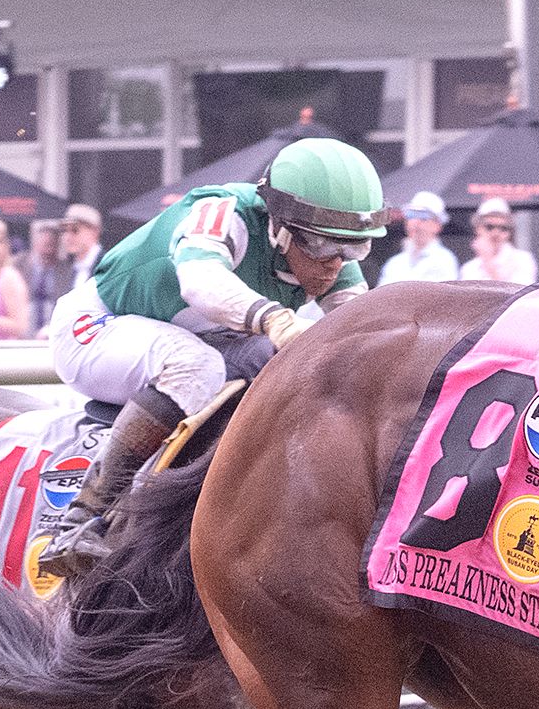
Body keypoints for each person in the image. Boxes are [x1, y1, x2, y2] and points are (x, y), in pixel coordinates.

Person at [41, 137, 389, 575]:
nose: (336, 264)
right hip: (97, 326)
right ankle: (83, 520)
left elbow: (362, 334)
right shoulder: (224, 211)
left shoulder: (330, 250)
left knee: (274, 363)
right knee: (197, 365)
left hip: (184, 334)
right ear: (280, 227)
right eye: (322, 247)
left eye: (355, 248)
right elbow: (199, 279)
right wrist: (275, 319)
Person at [380, 191, 459, 285]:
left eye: (423, 217)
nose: (415, 222)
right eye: (411, 215)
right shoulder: (394, 263)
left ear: (438, 225)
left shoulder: (445, 260)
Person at [458, 196, 537, 285]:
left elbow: (519, 296)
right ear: (477, 229)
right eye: (489, 227)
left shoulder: (523, 260)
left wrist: (488, 261)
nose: (496, 233)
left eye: (503, 228)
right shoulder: (469, 268)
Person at [18, 220, 71, 330]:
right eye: (43, 234)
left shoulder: (67, 270)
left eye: (54, 236)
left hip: (54, 329)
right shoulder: (19, 264)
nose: (48, 238)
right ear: (34, 240)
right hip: (24, 329)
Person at [60, 202, 104, 289]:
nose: (67, 237)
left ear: (94, 232)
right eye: (64, 230)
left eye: (75, 230)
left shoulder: (107, 266)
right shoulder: (67, 268)